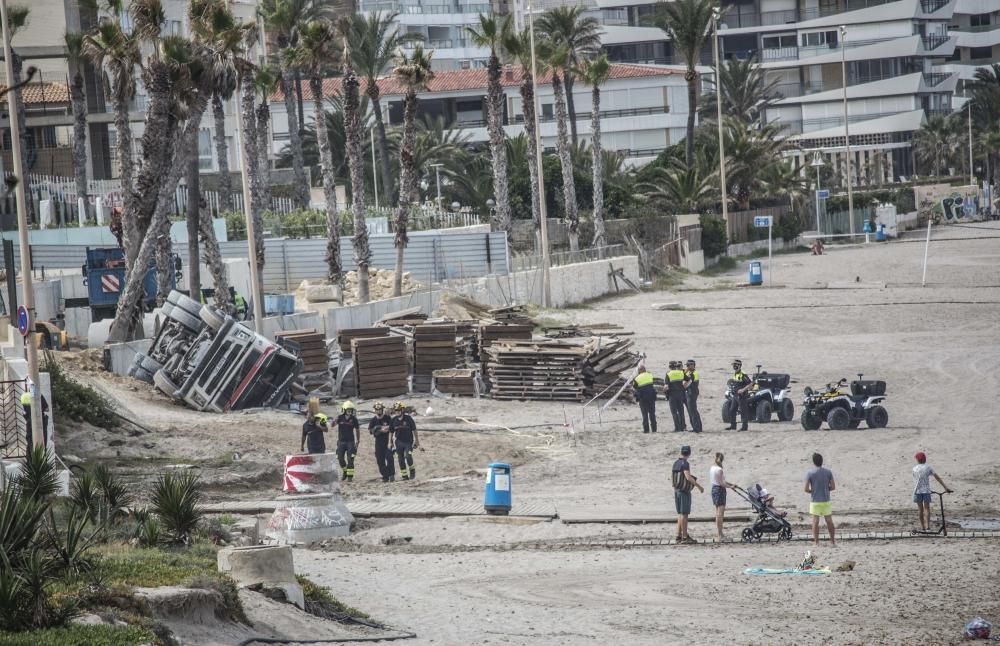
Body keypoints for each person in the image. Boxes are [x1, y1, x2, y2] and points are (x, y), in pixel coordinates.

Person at [671, 445, 704, 544]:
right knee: (684, 514)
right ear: (689, 453)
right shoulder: (685, 463)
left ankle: (678, 535)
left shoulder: (675, 463)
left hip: (676, 490)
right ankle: (685, 537)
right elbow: (688, 477)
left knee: (680, 514)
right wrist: (699, 486)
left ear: (681, 452)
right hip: (684, 491)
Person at [913, 451, 953, 531]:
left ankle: (923, 528)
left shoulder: (914, 468)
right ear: (925, 459)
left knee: (920, 510)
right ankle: (928, 528)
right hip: (926, 491)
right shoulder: (928, 467)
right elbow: (937, 477)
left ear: (917, 460)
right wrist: (945, 488)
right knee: (926, 508)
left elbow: (916, 480)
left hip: (917, 491)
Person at [805, 452, 836, 546]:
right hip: (826, 500)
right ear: (822, 461)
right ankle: (832, 542)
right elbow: (833, 487)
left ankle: (816, 542)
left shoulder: (810, 473)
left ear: (814, 462)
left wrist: (813, 491)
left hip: (815, 501)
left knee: (815, 521)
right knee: (829, 521)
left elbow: (806, 489)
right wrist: (826, 489)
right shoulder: (828, 472)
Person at [390, 401, 419, 480]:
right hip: (398, 442)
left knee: (408, 456)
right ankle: (405, 476)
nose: (397, 411)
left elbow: (414, 430)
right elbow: (391, 432)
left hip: (408, 442)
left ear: (402, 410)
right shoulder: (393, 420)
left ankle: (412, 470)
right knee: (400, 459)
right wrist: (391, 442)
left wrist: (417, 441)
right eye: (396, 410)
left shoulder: (408, 418)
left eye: (399, 410)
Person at [369, 401, 396, 483]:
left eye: (380, 409)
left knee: (389, 458)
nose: (378, 411)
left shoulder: (387, 418)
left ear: (382, 409)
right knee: (380, 460)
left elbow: (392, 427)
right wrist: (378, 429)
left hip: (388, 441)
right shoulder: (373, 420)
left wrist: (385, 428)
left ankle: (391, 475)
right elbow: (370, 430)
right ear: (375, 410)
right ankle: (385, 476)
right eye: (377, 409)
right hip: (378, 443)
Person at [709, 452, 734, 540]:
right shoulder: (719, 470)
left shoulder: (712, 468)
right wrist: (730, 487)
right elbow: (722, 483)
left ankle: (719, 533)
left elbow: (721, 481)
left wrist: (732, 484)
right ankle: (720, 534)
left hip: (714, 489)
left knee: (717, 513)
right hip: (719, 490)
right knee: (720, 513)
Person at [335, 401, 361, 481]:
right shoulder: (340, 417)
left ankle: (350, 477)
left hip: (350, 442)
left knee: (350, 459)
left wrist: (358, 440)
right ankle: (345, 471)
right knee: (340, 458)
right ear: (344, 409)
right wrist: (334, 421)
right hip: (341, 442)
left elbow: (357, 430)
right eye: (348, 409)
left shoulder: (354, 419)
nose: (350, 411)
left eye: (351, 410)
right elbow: (332, 425)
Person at [727, 359, 752, 432]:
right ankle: (733, 426)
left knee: (743, 411)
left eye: (735, 365)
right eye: (733, 365)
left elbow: (750, 384)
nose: (734, 366)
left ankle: (744, 427)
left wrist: (743, 390)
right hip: (735, 395)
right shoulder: (736, 373)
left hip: (742, 396)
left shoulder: (743, 374)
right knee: (732, 410)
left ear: (739, 365)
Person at [632, 363, 658, 434]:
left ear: (639, 371)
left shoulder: (637, 378)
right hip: (651, 397)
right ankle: (654, 429)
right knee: (652, 414)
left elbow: (634, 388)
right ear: (645, 370)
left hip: (642, 398)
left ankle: (646, 430)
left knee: (645, 415)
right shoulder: (650, 375)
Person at [665, 361, 687, 432]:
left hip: (672, 395)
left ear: (669, 367)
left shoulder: (668, 374)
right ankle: (683, 427)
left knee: (674, 412)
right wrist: (684, 387)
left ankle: (677, 428)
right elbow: (689, 380)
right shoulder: (681, 372)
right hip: (680, 394)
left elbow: (666, 386)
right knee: (681, 411)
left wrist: (665, 394)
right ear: (676, 366)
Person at [683, 359, 702, 434]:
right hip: (690, 392)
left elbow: (689, 382)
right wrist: (686, 370)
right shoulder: (690, 372)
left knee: (693, 410)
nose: (687, 367)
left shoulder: (694, 373)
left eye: (688, 365)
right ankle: (697, 427)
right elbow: (683, 376)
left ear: (692, 365)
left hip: (692, 393)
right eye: (686, 365)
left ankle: (697, 428)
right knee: (693, 410)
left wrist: (683, 387)